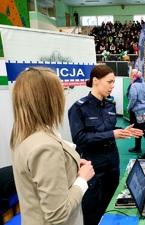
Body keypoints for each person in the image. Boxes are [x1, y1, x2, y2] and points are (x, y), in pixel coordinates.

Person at [10, 67, 95, 225]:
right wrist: (82, 180)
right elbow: (58, 215)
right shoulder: (44, 146)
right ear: (50, 99)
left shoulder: (24, 135)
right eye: (61, 91)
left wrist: (71, 167)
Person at [68, 65, 143, 225]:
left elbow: (107, 130)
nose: (112, 86)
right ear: (95, 81)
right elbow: (80, 138)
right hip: (92, 166)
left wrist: (122, 131)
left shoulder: (110, 106)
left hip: (112, 163)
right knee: (92, 211)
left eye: (113, 82)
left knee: (111, 206)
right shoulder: (79, 108)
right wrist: (112, 134)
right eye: (109, 82)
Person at [126, 69, 145, 153]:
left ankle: (138, 147)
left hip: (137, 110)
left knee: (137, 129)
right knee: (143, 128)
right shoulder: (143, 83)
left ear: (132, 75)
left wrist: (128, 108)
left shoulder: (133, 85)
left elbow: (133, 99)